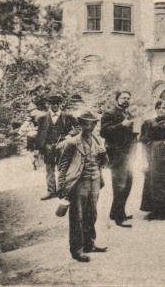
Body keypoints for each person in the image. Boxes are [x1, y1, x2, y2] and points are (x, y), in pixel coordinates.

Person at [57, 111, 108, 262]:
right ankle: (76, 250)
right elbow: (63, 165)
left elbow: (104, 163)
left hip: (95, 181)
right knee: (77, 217)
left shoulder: (98, 141)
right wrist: (61, 187)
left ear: (94, 125)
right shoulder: (72, 142)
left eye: (91, 123)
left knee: (91, 214)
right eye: (85, 123)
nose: (88, 127)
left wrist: (104, 154)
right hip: (79, 183)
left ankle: (89, 244)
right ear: (80, 124)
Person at [100, 91, 136, 227]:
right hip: (117, 153)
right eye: (123, 98)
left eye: (128, 98)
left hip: (129, 153)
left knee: (128, 183)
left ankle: (116, 212)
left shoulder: (128, 113)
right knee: (120, 185)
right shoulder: (109, 113)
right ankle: (119, 218)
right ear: (117, 99)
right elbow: (103, 132)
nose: (126, 100)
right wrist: (122, 125)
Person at [34, 95, 78, 200]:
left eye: (57, 103)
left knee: (63, 168)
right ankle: (51, 192)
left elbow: (78, 127)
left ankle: (63, 191)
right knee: (49, 169)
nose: (55, 106)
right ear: (49, 105)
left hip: (63, 145)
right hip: (48, 147)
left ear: (60, 104)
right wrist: (38, 148)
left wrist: (70, 135)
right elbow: (39, 134)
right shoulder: (42, 118)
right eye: (52, 103)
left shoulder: (67, 116)